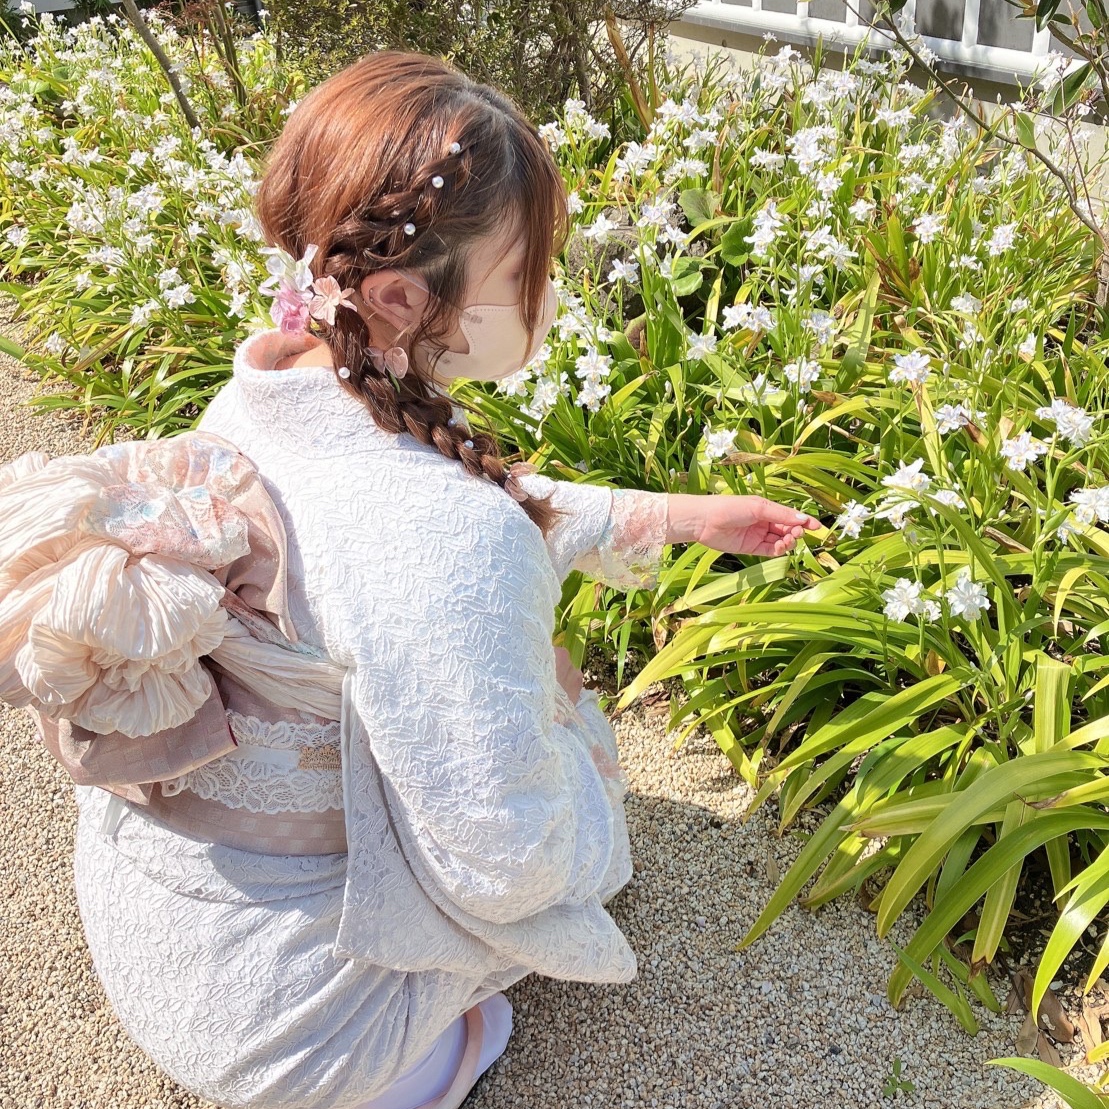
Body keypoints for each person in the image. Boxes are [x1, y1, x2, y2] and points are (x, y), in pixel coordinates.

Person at [2, 50, 819, 1109]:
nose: (557, 286)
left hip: (164, 945)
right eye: (537, 261)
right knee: (556, 741)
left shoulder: (260, 393)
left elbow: (414, 528)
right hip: (299, 1040)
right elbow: (509, 863)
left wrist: (675, 517)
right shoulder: (450, 537)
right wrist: (579, 740)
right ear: (399, 295)